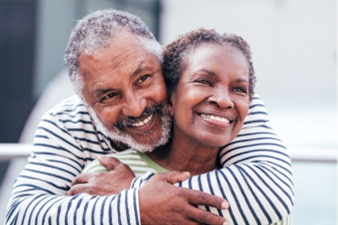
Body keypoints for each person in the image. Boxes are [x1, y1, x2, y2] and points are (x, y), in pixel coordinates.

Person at [4, 9, 294, 225]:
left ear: (164, 64)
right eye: (108, 96)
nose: (135, 107)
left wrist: (134, 192)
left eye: (143, 78)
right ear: (87, 104)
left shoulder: (222, 105)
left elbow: (267, 193)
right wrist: (136, 208)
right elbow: (22, 216)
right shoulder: (67, 124)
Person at [82, 28, 291, 225]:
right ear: (170, 96)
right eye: (204, 81)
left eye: (239, 89)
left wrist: (133, 193)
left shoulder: (257, 193)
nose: (224, 100)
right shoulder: (105, 176)